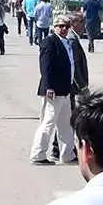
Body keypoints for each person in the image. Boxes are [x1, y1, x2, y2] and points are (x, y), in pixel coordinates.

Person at [31, 16, 81, 165]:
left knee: (66, 124)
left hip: (65, 90)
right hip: (54, 91)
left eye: (66, 26)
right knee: (48, 122)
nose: (63, 29)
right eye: (60, 26)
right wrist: (48, 87)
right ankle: (38, 154)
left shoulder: (67, 42)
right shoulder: (50, 42)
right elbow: (45, 66)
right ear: (54, 27)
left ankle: (67, 154)